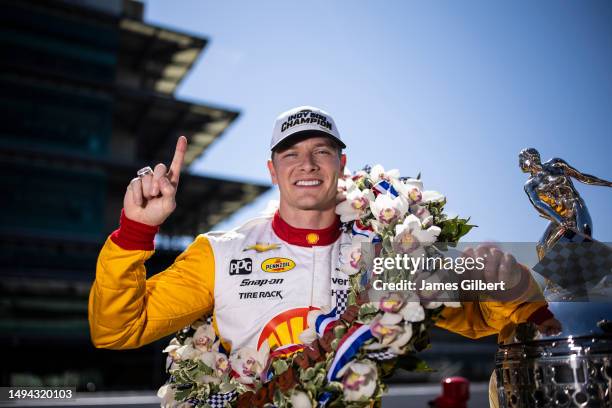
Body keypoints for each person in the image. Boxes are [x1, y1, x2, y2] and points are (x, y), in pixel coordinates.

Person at [88, 105, 559, 360]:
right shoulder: (220, 254)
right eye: (291, 154)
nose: (307, 165)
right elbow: (118, 330)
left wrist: (508, 280)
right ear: (272, 170)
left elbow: (494, 320)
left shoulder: (385, 254)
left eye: (322, 151)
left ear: (342, 165)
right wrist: (134, 232)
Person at [520, 148, 612, 260]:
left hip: (575, 205)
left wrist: (608, 184)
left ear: (530, 159)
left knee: (583, 236)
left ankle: (588, 261)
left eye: (523, 161)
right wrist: (559, 219)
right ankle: (549, 276)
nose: (522, 165)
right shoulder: (530, 184)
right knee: (541, 245)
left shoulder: (556, 163)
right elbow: (537, 204)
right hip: (559, 215)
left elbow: (583, 177)